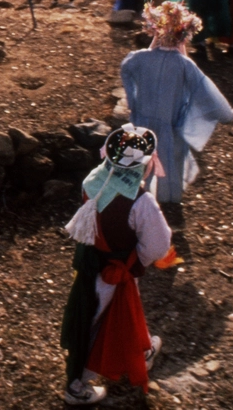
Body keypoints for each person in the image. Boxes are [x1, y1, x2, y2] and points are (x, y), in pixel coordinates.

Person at [60, 126, 177, 405]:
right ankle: (77, 385)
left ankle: (142, 348)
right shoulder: (140, 202)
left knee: (121, 306)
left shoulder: (92, 180)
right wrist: (135, 260)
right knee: (99, 318)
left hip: (92, 262)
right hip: (115, 269)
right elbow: (158, 245)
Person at [120, 2, 233, 203]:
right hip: (170, 124)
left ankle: (136, 195)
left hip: (141, 120)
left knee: (140, 157)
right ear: (184, 36)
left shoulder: (139, 59)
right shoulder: (184, 65)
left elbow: (126, 69)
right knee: (170, 161)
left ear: (155, 31)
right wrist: (227, 114)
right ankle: (166, 199)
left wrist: (133, 99)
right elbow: (205, 90)